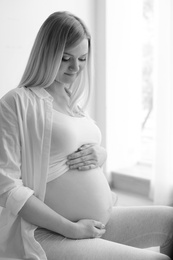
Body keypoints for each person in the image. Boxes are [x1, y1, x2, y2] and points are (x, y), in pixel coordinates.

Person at [0, 11, 173, 260]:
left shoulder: (72, 101)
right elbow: (6, 187)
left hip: (94, 223)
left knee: (170, 220)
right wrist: (70, 229)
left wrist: (101, 154)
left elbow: (68, 156)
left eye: (82, 58)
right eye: (66, 58)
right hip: (49, 232)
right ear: (46, 53)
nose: (76, 67)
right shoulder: (16, 102)